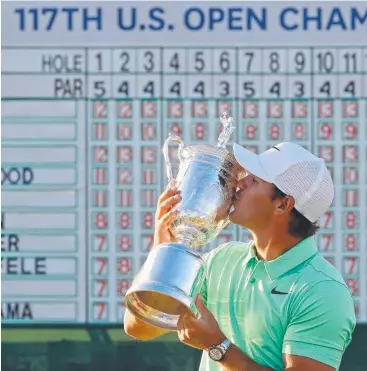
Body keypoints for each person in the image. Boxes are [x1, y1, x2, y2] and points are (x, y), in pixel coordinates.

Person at [124, 142, 356, 371]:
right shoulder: (221, 260)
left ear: (283, 204)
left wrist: (218, 346)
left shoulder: (323, 290)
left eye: (254, 181)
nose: (238, 184)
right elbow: (140, 326)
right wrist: (163, 247)